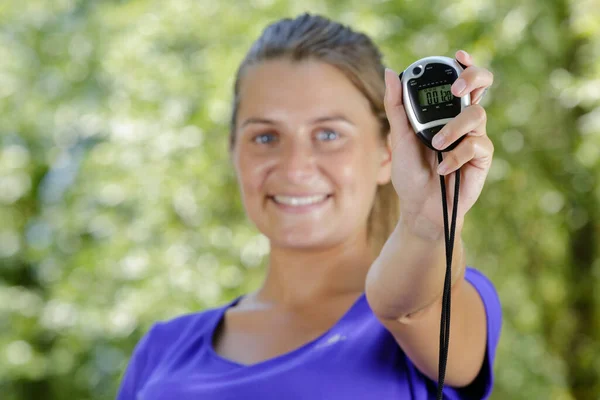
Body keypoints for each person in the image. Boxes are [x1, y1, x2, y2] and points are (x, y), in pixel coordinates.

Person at [117, 13, 501, 400]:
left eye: (329, 134)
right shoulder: (161, 350)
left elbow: (405, 308)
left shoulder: (437, 297)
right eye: (265, 136)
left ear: (387, 152)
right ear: (233, 150)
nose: (295, 167)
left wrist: (426, 224)